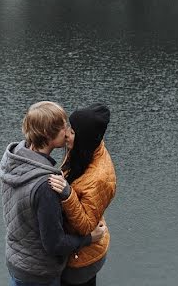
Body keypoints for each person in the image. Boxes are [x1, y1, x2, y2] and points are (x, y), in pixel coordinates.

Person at [1, 102, 107, 286]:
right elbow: (55, 245)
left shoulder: (15, 158)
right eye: (63, 127)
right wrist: (90, 238)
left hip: (16, 262)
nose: (67, 131)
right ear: (48, 135)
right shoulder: (46, 186)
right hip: (39, 274)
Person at [48, 104, 116, 286]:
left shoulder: (99, 178)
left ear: (83, 137)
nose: (67, 134)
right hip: (80, 250)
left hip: (82, 261)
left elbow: (85, 226)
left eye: (72, 131)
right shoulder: (86, 147)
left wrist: (67, 194)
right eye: (69, 127)